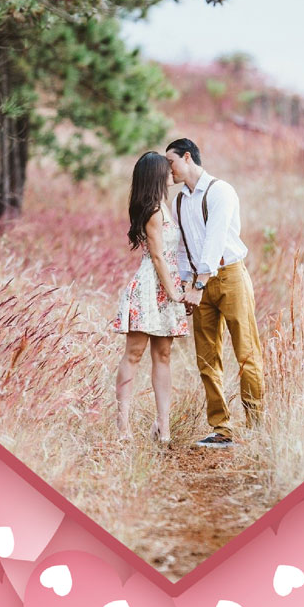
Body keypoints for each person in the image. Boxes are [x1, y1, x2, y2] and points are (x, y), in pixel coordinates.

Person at [165, 138, 264, 448]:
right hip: (198, 284)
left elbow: (215, 240)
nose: (169, 170)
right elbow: (182, 247)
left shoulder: (220, 190)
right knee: (207, 358)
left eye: (171, 162)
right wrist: (185, 285)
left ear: (186, 157)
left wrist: (198, 285)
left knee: (246, 352)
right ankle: (222, 429)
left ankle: (256, 427)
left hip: (229, 276)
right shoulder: (178, 201)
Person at [112, 151, 188, 443]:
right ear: (156, 175)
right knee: (134, 354)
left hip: (166, 284)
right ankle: (123, 427)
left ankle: (163, 426)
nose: (170, 171)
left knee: (164, 356)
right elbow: (156, 255)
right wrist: (172, 292)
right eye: (165, 168)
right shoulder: (154, 209)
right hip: (151, 286)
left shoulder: (164, 206)